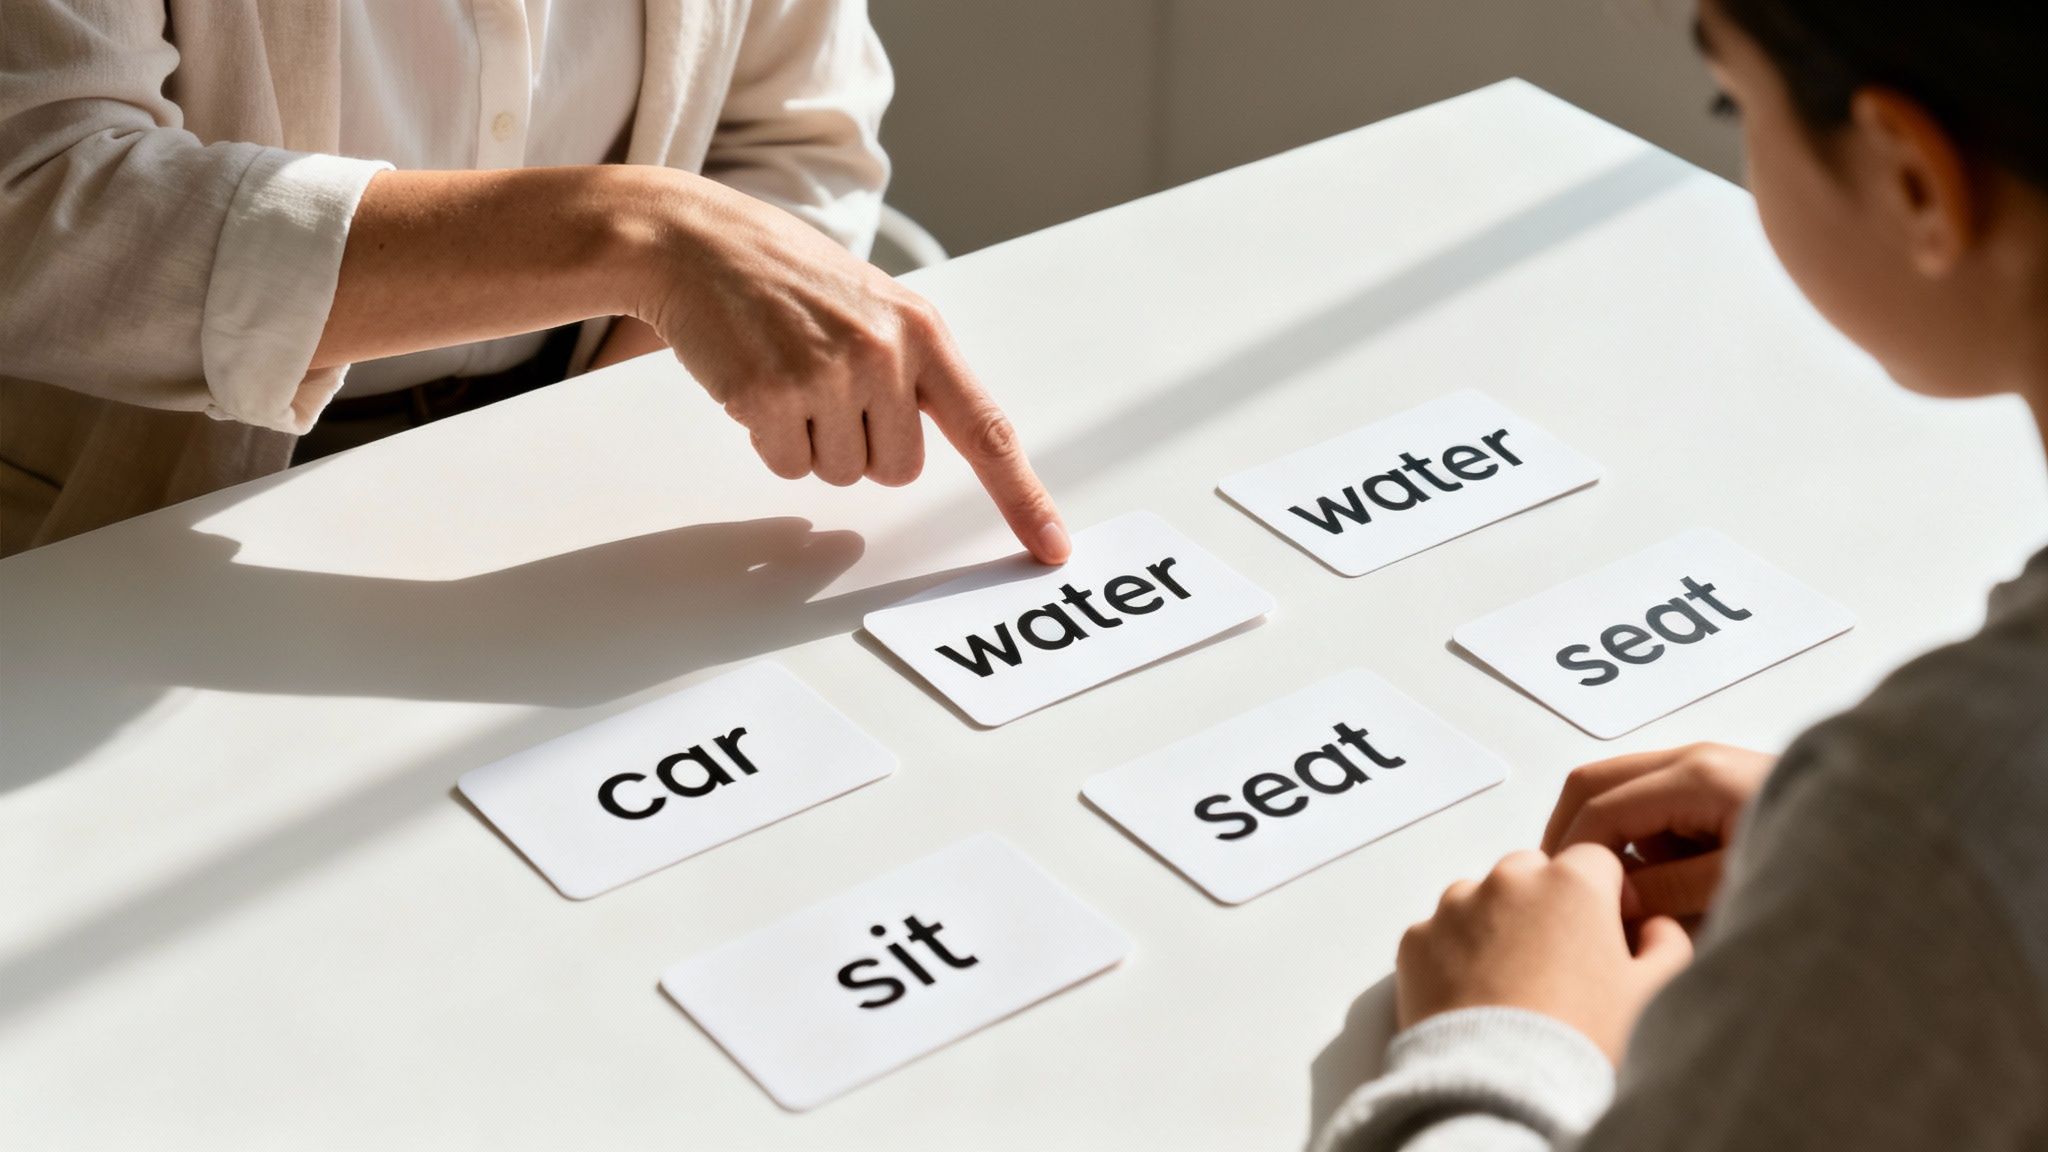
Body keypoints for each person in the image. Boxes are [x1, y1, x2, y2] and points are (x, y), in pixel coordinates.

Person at [1316, 1, 2048, 1148]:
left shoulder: (1934, 817)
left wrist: (1499, 1051)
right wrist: (1866, 880)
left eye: (1730, 100)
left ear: (1912, 178)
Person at [0, 1, 1071, 563]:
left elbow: (794, 141)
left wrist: (576, 456)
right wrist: (632, 233)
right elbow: (42, 201)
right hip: (132, 519)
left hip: (599, 454)